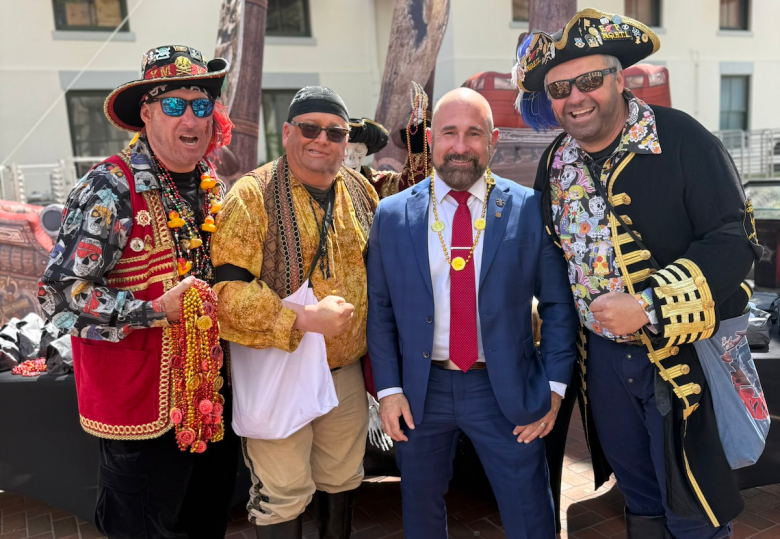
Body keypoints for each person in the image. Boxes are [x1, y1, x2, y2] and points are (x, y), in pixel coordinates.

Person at [515, 9, 762, 538]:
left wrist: (648, 304)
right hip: (599, 363)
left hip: (682, 357)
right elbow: (553, 257)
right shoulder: (555, 161)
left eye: (589, 81)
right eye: (559, 89)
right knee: (640, 494)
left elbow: (734, 241)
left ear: (620, 79)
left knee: (694, 500)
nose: (574, 98)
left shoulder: (682, 139)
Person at [37, 45, 238, 538]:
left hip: (211, 403)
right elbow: (59, 296)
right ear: (146, 114)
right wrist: (152, 311)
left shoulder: (214, 187)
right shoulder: (109, 189)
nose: (190, 117)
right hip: (140, 415)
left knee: (206, 526)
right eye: (174, 104)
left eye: (200, 104)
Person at [367, 87, 578, 538]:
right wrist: (388, 389)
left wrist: (554, 387)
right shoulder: (392, 214)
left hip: (505, 389)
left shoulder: (527, 209)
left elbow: (560, 305)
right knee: (420, 512)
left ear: (493, 139)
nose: (461, 146)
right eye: (449, 133)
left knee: (531, 513)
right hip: (421, 393)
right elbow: (380, 310)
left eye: (473, 133)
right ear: (430, 139)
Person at [211, 86, 378, 538]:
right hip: (278, 367)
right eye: (310, 128)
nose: (322, 139)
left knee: (343, 477)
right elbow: (223, 295)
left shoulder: (360, 191)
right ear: (287, 133)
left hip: (342, 369)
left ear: (347, 141)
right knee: (283, 490)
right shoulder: (251, 195)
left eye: (335, 132)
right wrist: (302, 320)